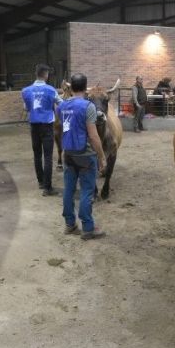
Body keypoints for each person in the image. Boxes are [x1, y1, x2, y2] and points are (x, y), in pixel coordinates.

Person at [61, 73, 107, 240]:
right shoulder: (88, 107)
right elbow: (94, 136)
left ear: (71, 87)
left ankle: (70, 224)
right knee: (87, 190)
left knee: (69, 189)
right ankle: (88, 227)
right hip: (85, 155)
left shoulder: (63, 106)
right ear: (85, 87)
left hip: (68, 153)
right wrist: (101, 157)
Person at [22, 64, 62, 196]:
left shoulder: (26, 91)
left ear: (36, 74)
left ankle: (40, 181)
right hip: (47, 126)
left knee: (37, 155)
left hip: (34, 126)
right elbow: (61, 103)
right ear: (46, 75)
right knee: (48, 156)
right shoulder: (51, 90)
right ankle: (48, 187)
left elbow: (26, 108)